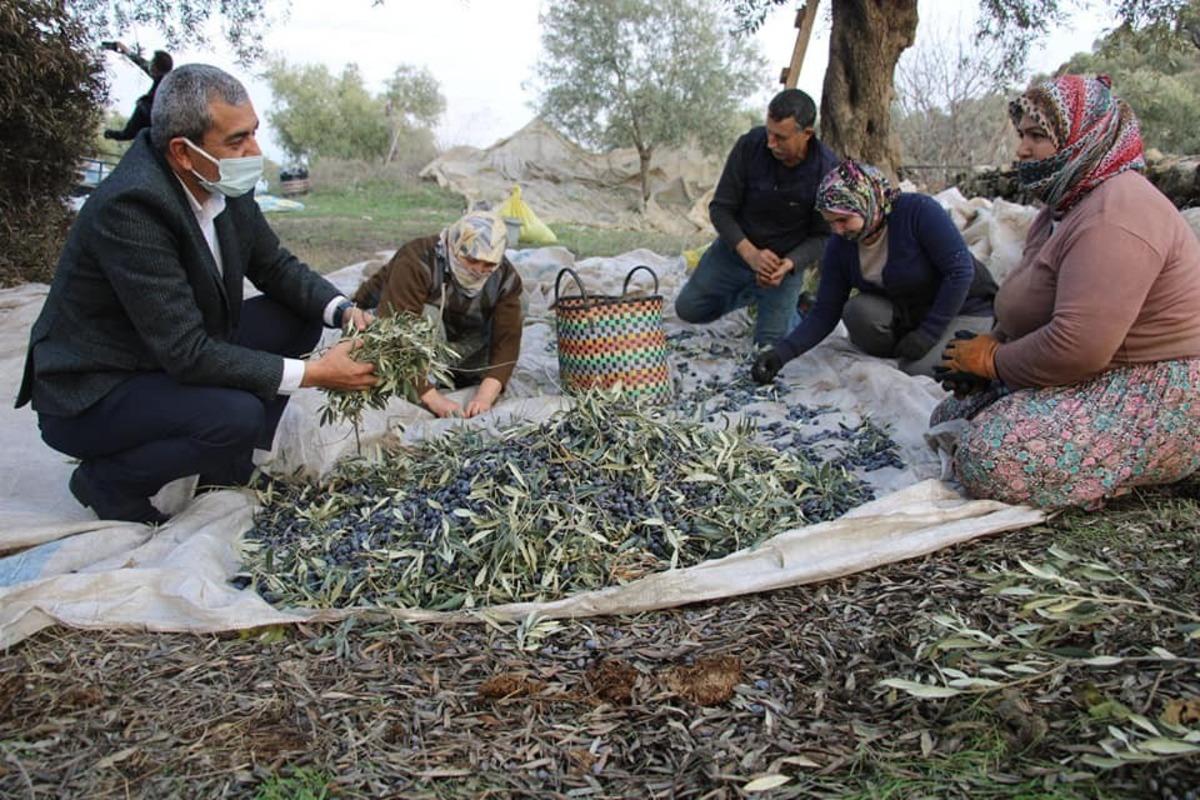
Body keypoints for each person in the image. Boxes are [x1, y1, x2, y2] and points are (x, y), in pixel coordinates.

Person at [16, 64, 379, 525]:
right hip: (97, 387)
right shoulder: (131, 208)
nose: (255, 151)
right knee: (238, 415)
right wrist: (317, 373)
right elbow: (187, 352)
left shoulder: (222, 182)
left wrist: (342, 309)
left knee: (300, 315)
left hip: (161, 351)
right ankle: (110, 482)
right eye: (237, 140)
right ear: (183, 153)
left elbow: (273, 265)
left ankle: (225, 467)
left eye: (253, 133)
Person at [930, 74, 1200, 508]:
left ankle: (1166, 460)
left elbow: (1081, 346)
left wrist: (994, 361)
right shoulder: (1063, 207)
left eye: (1037, 136)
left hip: (1152, 382)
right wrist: (987, 354)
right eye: (1022, 135)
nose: (1021, 149)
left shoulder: (1118, 212)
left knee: (992, 456)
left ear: (1089, 136)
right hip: (1093, 371)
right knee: (948, 417)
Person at [750, 160, 997, 384]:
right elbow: (825, 311)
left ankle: (966, 342)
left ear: (866, 204)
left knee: (916, 369)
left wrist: (928, 334)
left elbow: (960, 271)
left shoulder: (918, 212)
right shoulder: (841, 244)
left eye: (843, 220)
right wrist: (781, 355)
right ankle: (907, 348)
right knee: (858, 311)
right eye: (831, 222)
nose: (837, 230)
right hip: (913, 312)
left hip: (964, 307)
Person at [675, 88, 839, 346]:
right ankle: (755, 296)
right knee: (689, 309)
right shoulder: (750, 145)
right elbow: (720, 208)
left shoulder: (827, 170)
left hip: (783, 265)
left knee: (769, 345)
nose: (770, 142)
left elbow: (823, 236)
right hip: (739, 249)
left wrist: (788, 265)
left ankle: (797, 310)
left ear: (806, 134)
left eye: (780, 137)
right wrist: (750, 254)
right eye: (769, 132)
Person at [352, 210, 523, 419]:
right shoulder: (418, 259)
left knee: (520, 303)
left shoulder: (505, 277)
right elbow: (395, 332)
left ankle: (456, 374)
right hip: (399, 338)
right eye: (471, 260)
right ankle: (422, 379)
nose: (478, 270)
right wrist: (432, 398)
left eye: (488, 265)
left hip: (459, 341)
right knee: (427, 315)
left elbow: (507, 341)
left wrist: (484, 397)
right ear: (453, 247)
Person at [102, 42, 173, 141]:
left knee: (142, 104)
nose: (150, 64)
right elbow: (144, 64)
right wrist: (126, 52)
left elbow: (146, 65)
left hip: (152, 117)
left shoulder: (164, 81)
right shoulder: (166, 78)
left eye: (152, 62)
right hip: (157, 122)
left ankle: (123, 134)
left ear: (156, 67)